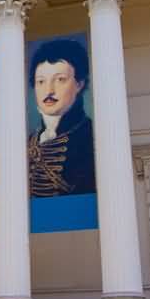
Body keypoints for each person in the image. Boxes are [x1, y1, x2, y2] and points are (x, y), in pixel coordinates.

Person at [27, 38, 96, 197]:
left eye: (60, 80)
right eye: (41, 81)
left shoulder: (90, 136)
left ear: (79, 84)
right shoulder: (30, 141)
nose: (49, 90)